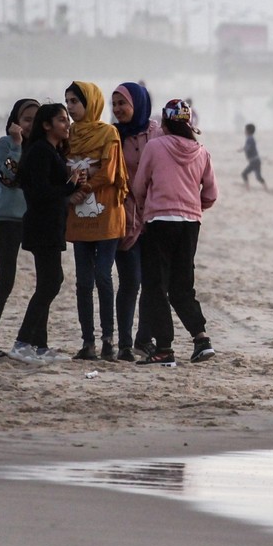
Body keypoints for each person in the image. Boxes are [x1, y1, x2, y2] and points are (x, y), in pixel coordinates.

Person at [132, 99, 218, 366]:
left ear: (165, 122)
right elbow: (212, 194)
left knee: (156, 285)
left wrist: (147, 209)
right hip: (190, 223)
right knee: (182, 285)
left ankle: (165, 348)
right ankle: (201, 339)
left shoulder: (155, 146)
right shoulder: (201, 151)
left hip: (159, 220)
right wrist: (192, 207)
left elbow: (139, 186)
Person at [10, 103, 86, 364]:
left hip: (50, 225)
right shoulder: (41, 151)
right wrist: (70, 186)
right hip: (42, 225)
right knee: (50, 283)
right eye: (62, 120)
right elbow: (40, 193)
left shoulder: (48, 151)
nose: (67, 125)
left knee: (49, 282)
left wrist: (69, 185)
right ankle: (22, 343)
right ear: (47, 125)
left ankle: (39, 346)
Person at [64, 81, 128, 362]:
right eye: (67, 102)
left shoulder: (108, 133)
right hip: (78, 216)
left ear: (90, 103)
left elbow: (110, 172)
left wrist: (82, 189)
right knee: (82, 282)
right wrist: (70, 190)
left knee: (103, 276)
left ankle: (108, 341)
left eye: (75, 101)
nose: (70, 107)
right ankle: (87, 342)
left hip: (107, 214)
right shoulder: (68, 136)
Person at [0, 98, 39, 358]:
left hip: (34, 220)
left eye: (37, 120)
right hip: (7, 221)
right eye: (26, 120)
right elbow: (7, 178)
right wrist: (16, 145)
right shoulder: (6, 144)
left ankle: (34, 341)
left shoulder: (41, 148)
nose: (31, 125)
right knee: (6, 282)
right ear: (15, 122)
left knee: (48, 281)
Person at [110, 81, 160, 362]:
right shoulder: (113, 136)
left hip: (154, 218)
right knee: (130, 282)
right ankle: (125, 344)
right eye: (114, 104)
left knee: (154, 283)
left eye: (123, 103)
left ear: (138, 104)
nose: (118, 109)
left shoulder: (157, 133)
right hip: (124, 218)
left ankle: (144, 339)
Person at [240, 123, 267, 189]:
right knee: (258, 177)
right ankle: (266, 188)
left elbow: (249, 148)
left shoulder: (250, 138)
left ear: (248, 131)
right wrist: (243, 149)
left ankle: (247, 189)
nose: (244, 131)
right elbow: (249, 147)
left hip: (254, 161)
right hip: (256, 160)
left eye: (245, 130)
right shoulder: (250, 138)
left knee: (244, 174)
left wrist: (244, 149)